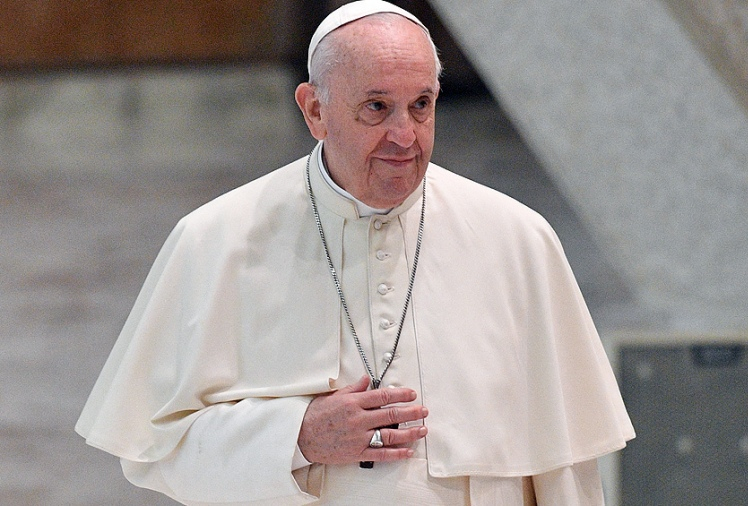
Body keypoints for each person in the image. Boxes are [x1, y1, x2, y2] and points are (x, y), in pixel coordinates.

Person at [76, 1, 634, 504]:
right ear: (314, 110)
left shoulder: (517, 239)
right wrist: (295, 437)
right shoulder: (215, 239)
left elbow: (566, 468)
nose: (405, 135)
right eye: (376, 108)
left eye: (421, 105)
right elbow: (152, 449)